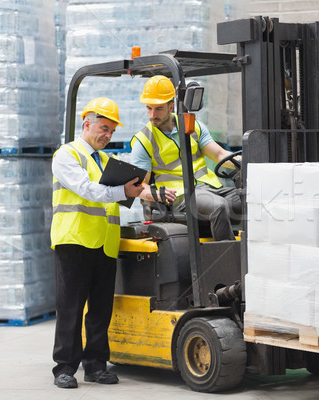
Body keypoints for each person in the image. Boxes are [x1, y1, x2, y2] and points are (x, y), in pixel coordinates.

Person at [50, 97, 144, 389]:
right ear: (86, 124)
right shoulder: (67, 155)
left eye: (112, 131)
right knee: (71, 308)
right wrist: (121, 191)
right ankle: (65, 367)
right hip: (74, 241)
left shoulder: (106, 161)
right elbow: (87, 190)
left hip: (104, 243)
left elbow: (122, 193)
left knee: (101, 309)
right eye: (104, 128)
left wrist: (148, 193)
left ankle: (95, 366)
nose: (108, 135)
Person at [131, 75, 242, 241]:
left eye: (158, 109)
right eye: (149, 108)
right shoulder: (144, 140)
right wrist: (154, 194)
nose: (152, 115)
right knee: (218, 206)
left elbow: (219, 154)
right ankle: (228, 264)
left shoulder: (194, 126)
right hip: (181, 197)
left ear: (171, 106)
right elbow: (139, 185)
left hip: (210, 188)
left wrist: (248, 161)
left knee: (251, 199)